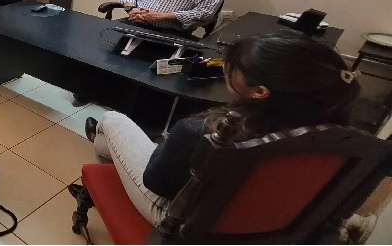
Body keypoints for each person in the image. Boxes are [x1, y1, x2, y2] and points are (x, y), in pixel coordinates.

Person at [85, 32, 359, 225]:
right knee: (116, 141)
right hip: (266, 222)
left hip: (184, 221)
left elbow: (155, 182)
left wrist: (166, 149)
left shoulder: (202, 132)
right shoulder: (339, 138)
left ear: (260, 91)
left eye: (235, 68)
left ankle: (104, 177)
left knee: (111, 121)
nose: (227, 68)